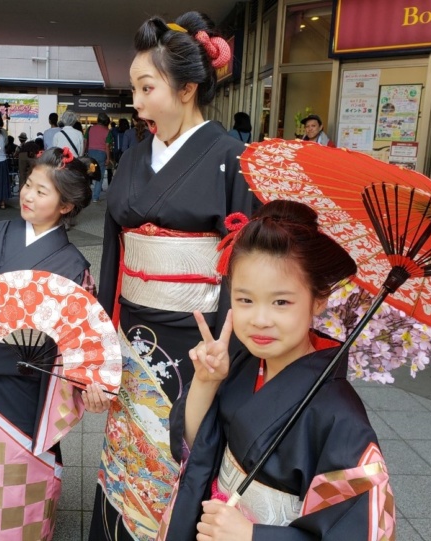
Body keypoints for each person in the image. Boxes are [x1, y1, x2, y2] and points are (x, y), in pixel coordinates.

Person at [89, 11, 253, 541]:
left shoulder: (232, 158)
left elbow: (241, 262)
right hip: (133, 329)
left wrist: (232, 346)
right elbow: (114, 250)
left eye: (146, 87)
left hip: (198, 339)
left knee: (181, 447)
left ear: (187, 88)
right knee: (126, 446)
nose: (135, 102)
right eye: (133, 88)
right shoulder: (135, 159)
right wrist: (100, 339)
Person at [158, 200, 396, 540]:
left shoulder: (341, 419)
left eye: (281, 302)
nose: (260, 319)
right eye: (245, 300)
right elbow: (197, 451)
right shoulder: (242, 363)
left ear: (318, 299)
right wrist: (206, 383)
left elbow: (357, 532)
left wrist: (253, 535)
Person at [0, 147, 111, 541]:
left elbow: (79, 337)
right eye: (28, 185)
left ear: (66, 207)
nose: (28, 196)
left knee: (29, 459)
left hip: (35, 383)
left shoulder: (72, 263)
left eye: (41, 192)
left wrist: (88, 383)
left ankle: (28, 530)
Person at [85, 112, 113, 202]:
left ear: (98, 120)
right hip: (101, 154)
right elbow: (107, 146)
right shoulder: (107, 131)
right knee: (99, 176)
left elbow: (85, 141)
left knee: (90, 173)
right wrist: (108, 158)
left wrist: (85, 151)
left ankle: (86, 195)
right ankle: (95, 197)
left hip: (91, 154)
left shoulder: (89, 129)